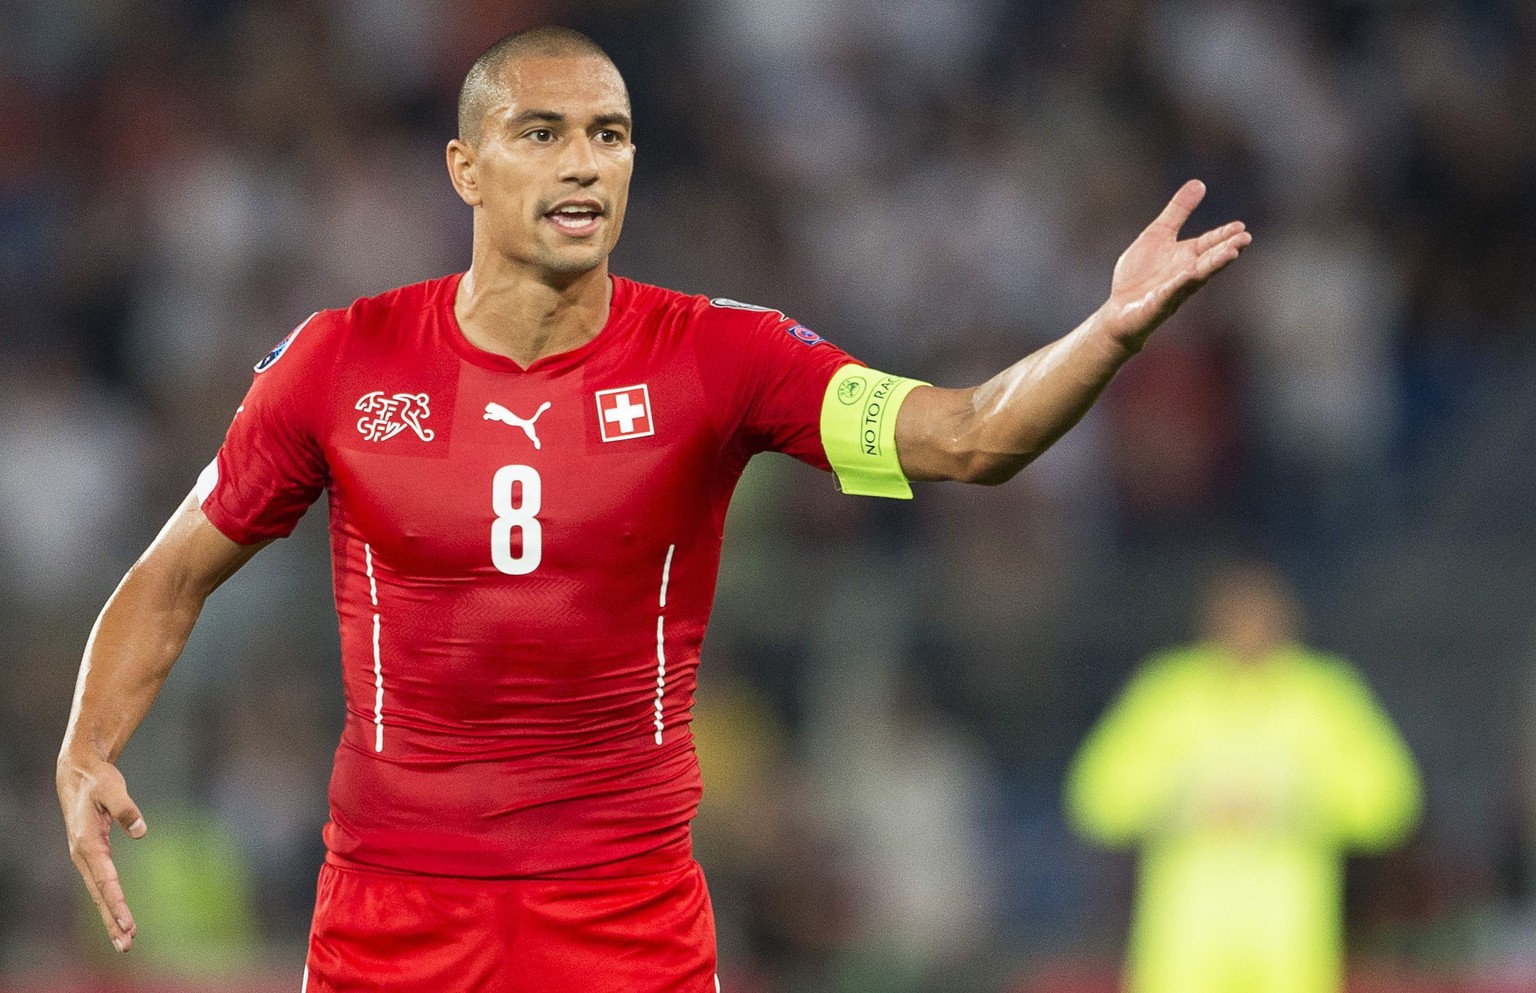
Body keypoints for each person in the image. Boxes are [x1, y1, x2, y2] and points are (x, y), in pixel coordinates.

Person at [56, 25, 1251, 993]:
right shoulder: (342, 362)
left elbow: (971, 435)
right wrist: (88, 748)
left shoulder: (718, 358)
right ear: (467, 167)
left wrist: (1105, 334)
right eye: (544, 132)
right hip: (393, 915)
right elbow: (172, 574)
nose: (585, 162)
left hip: (624, 918)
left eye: (610, 135)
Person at [1065, 562, 1421, 993]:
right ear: (1211, 621)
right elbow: (1094, 798)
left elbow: (1393, 801)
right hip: (1185, 948)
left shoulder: (1324, 695)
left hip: (1288, 945)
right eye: (1236, 615)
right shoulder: (1169, 691)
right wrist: (1183, 800)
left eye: (1260, 615)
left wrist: (1297, 802)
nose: (1248, 628)